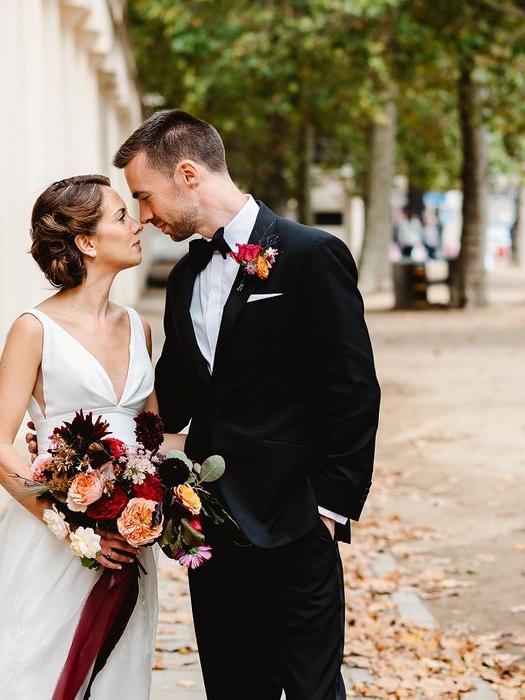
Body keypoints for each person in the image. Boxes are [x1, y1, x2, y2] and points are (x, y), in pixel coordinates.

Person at [113, 110, 381, 698]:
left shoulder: (312, 255)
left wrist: (330, 509)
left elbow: (354, 388)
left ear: (187, 173)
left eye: (145, 197)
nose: (145, 217)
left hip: (296, 521)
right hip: (212, 531)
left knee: (313, 691)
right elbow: (176, 402)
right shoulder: (183, 278)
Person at [0, 175, 183, 699]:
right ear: (86, 242)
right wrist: (73, 527)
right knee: (34, 672)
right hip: (53, 540)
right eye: (121, 216)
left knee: (117, 674)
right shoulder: (34, 329)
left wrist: (178, 490)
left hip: (128, 543)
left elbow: (152, 438)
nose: (137, 223)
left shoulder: (139, 327)